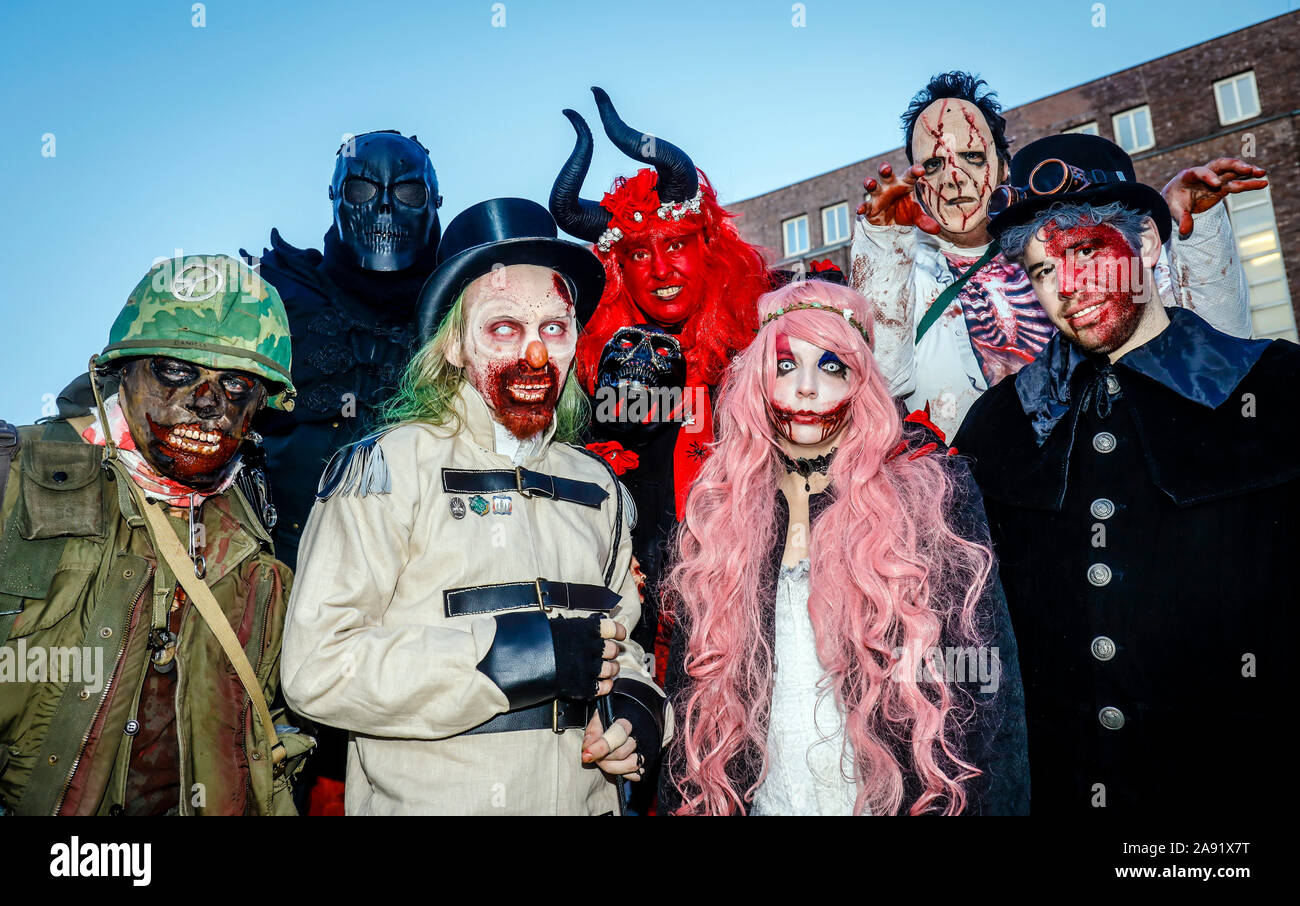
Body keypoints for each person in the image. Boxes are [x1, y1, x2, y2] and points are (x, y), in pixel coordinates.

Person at [281, 198, 670, 815]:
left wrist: (637, 711)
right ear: (455, 346)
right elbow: (318, 671)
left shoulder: (600, 488)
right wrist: (511, 655)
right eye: (503, 328)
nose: (536, 356)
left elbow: (624, 647)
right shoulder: (386, 470)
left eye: (553, 328)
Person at [952, 133, 1299, 814]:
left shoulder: (1277, 390)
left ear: (1145, 244)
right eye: (1041, 271)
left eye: (1084, 253)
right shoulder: (996, 428)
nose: (1065, 291)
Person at [661, 278, 1029, 816]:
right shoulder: (719, 520)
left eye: (831, 366)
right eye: (786, 366)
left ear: (862, 384)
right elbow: (688, 703)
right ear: (756, 383)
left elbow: (991, 697)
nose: (806, 388)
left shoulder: (928, 499)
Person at [0, 255, 311, 815]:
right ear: (122, 372)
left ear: (260, 407)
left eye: (236, 384)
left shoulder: (261, 542)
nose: (207, 401)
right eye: (176, 370)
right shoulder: (11, 478)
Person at [852, 71, 1265, 440]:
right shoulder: (911, 273)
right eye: (934, 165)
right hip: (974, 508)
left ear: (1002, 168)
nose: (954, 177)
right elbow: (877, 384)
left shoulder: (1072, 247)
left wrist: (1195, 227)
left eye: (972, 156)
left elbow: (1218, 344)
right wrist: (883, 243)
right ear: (918, 183)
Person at [241, 130, 443, 813]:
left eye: (406, 191)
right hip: (287, 632)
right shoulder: (275, 305)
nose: (384, 210)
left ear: (434, 202)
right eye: (363, 190)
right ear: (336, 199)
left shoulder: (468, 310)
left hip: (432, 637)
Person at [549, 87, 771, 690]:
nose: (661, 271)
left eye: (675, 245)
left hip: (759, 619)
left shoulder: (770, 339)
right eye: (639, 255)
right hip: (644, 640)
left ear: (709, 246)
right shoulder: (599, 370)